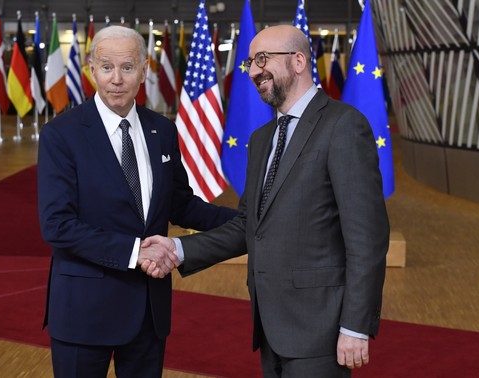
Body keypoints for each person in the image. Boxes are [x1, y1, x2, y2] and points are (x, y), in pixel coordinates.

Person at [141, 25, 390, 377]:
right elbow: (250, 226)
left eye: (263, 59)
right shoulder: (262, 139)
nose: (255, 71)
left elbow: (368, 238)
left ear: (299, 61)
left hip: (322, 327)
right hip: (271, 327)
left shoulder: (343, 126)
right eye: (250, 63)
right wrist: (177, 249)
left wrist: (355, 326)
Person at [37, 25, 237, 378]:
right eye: (107, 67)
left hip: (148, 310)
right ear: (90, 68)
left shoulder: (162, 130)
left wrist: (243, 221)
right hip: (84, 311)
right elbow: (57, 225)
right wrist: (135, 251)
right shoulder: (61, 135)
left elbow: (180, 204)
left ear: (145, 69)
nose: (116, 78)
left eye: (127, 67)